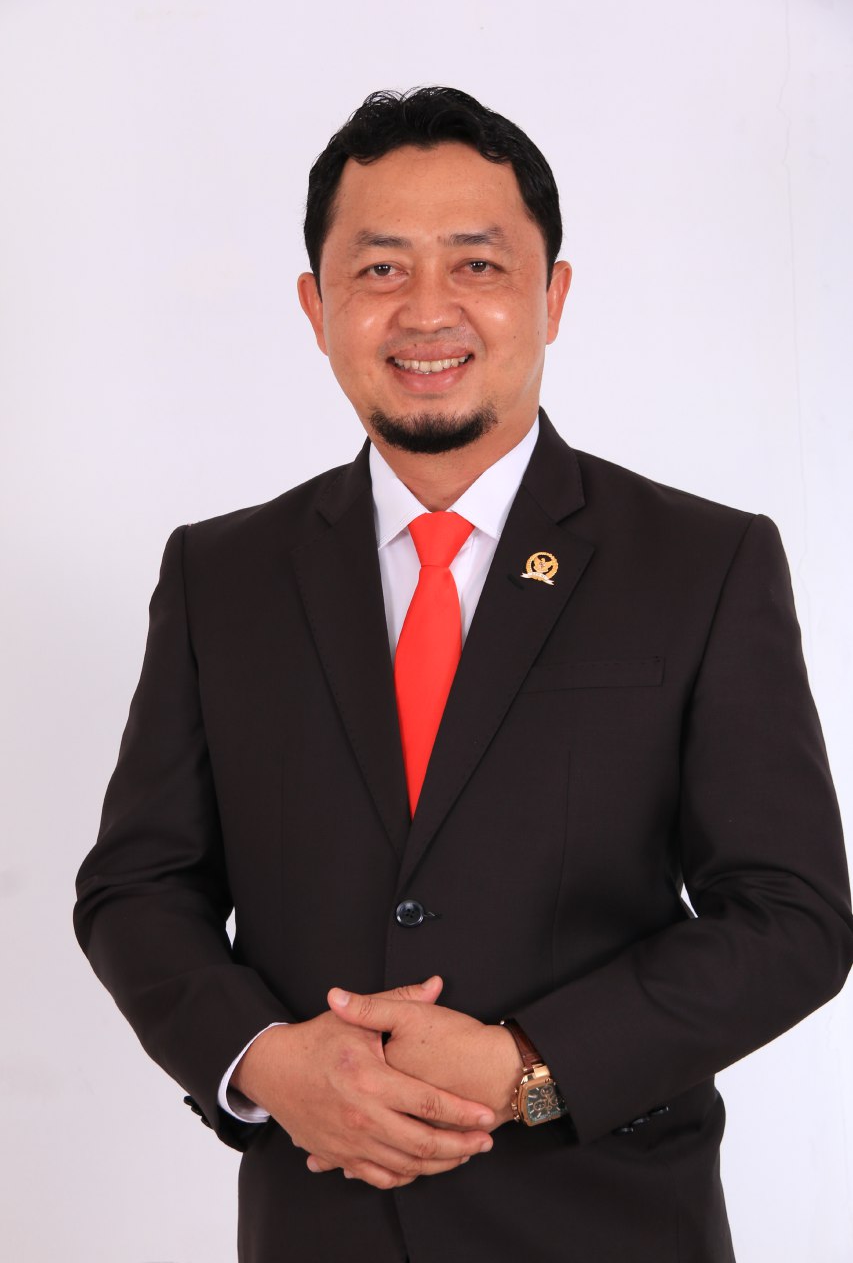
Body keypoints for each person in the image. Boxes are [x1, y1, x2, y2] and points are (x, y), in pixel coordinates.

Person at [74, 87, 853, 1263]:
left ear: (552, 295)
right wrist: (266, 1061)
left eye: (477, 264)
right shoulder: (221, 574)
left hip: (609, 1226)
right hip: (320, 1225)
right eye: (379, 269)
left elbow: (790, 917)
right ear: (317, 306)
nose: (427, 309)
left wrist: (531, 1065)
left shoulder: (701, 562)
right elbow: (138, 885)